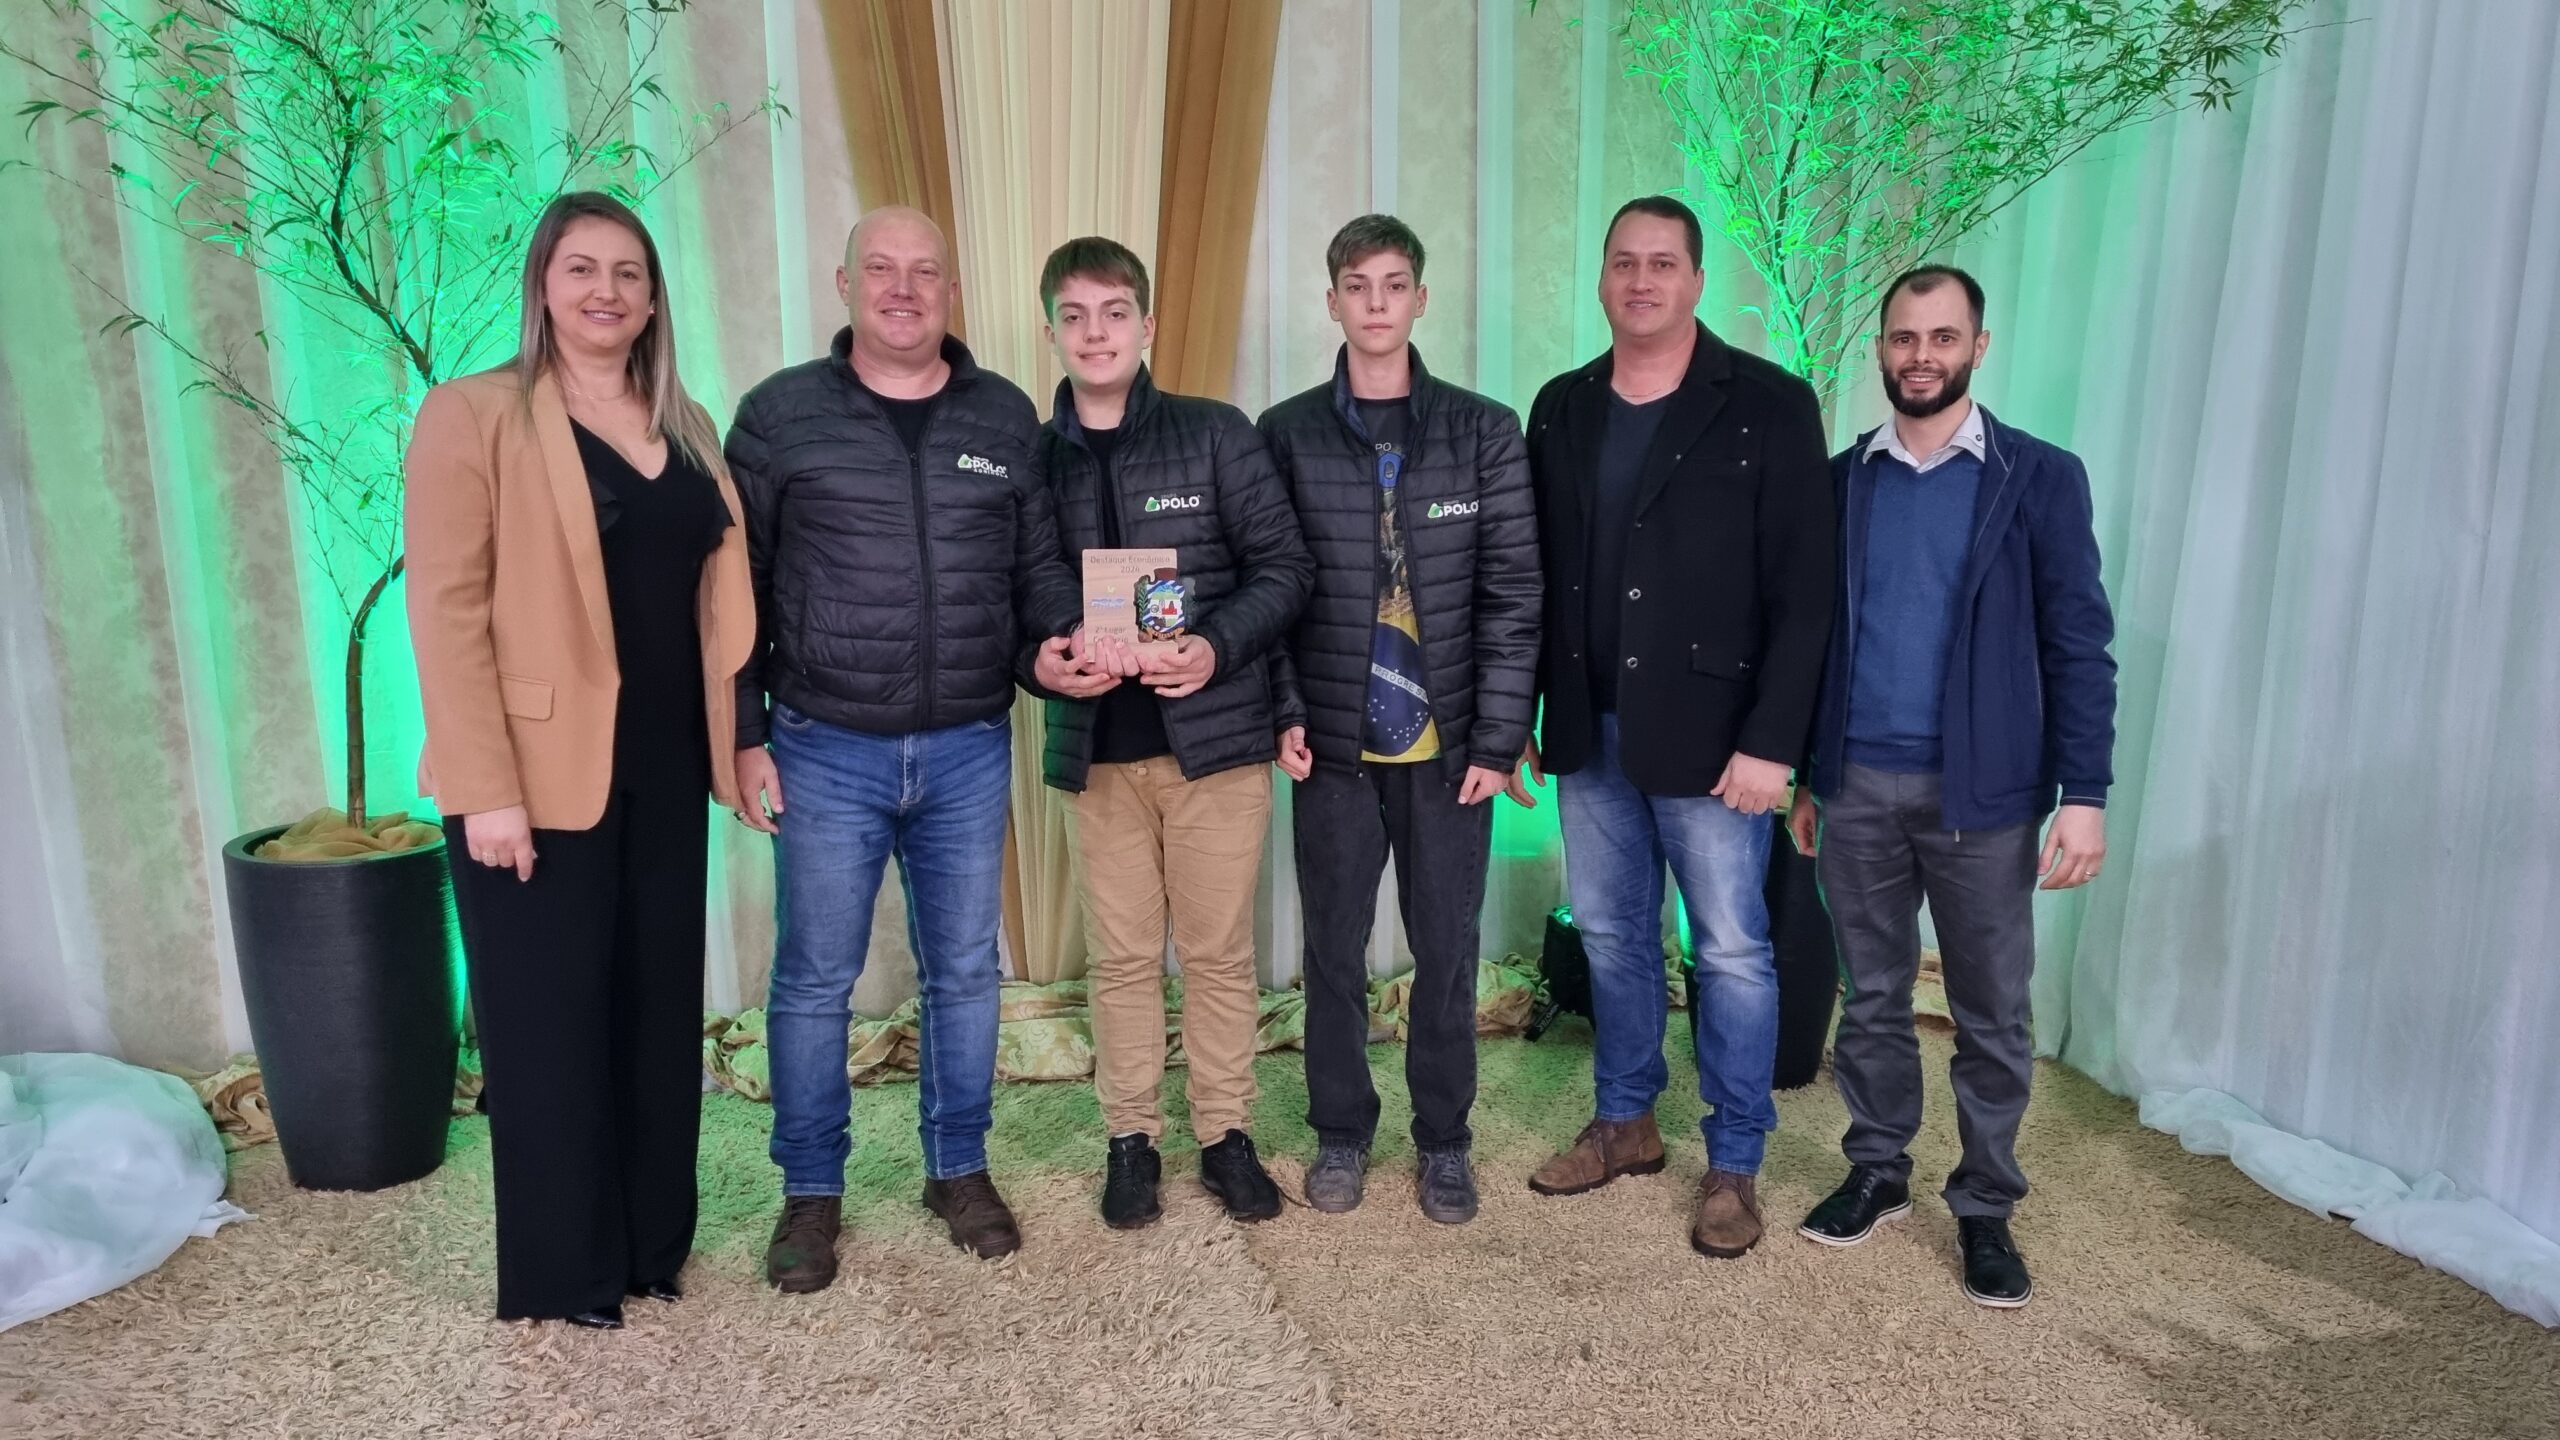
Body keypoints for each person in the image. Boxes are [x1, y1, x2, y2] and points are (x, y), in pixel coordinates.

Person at [405, 191, 755, 1328]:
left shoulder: (686, 423)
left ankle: (651, 1247)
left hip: (667, 766)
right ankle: (566, 1275)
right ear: (543, 287)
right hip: (534, 779)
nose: (607, 291)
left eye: (628, 273)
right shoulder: (474, 414)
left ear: (652, 301)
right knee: (549, 1030)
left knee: (655, 1017)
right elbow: (446, 614)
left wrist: (740, 742)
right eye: (582, 269)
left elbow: (714, 604)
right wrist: (484, 792)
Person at [728, 207, 1083, 1289]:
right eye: (880, 268)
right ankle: (809, 1191)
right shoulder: (780, 415)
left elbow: (1034, 576)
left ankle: (957, 1168)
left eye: (925, 271)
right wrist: (741, 733)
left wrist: (1052, 652)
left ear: (951, 292)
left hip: (969, 744)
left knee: (965, 973)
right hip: (823, 745)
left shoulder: (1004, 414)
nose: (902, 287)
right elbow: (732, 593)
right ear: (845, 285)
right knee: (813, 980)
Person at [1787, 265, 2116, 1309]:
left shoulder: (2039, 477)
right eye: (1903, 337)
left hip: (1987, 794)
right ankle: (1878, 1168)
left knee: (1991, 1011)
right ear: (1881, 350)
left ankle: (1984, 1205)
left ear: (1979, 347)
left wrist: (2086, 791)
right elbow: (1813, 641)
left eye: (1941, 337)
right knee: (1873, 996)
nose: (1919, 355)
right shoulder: (1841, 482)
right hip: (1856, 785)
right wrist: (1809, 775)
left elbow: (2079, 644)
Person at [1520, 196, 1836, 1261]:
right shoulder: (1562, 405)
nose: (1642, 280)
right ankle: (1626, 1122)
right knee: (1612, 936)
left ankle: (1735, 1163)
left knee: (1732, 952)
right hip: (1589, 727)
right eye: (1624, 262)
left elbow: (1806, 592)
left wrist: (1774, 744)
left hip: (1718, 739)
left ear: (1698, 281)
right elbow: (1535, 579)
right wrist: (1519, 713)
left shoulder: (1770, 404)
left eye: (1663, 263)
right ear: (1602, 280)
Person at [1020, 237, 1314, 1229]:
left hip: (1215, 746)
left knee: (1219, 952)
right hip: (1096, 752)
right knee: (1121, 958)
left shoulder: (1216, 433)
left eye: (1114, 313)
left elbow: (1284, 569)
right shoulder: (1033, 457)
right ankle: (1130, 1141)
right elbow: (1027, 584)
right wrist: (1059, 644)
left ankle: (1226, 1135)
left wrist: (1212, 649)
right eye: (1074, 315)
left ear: (1147, 324)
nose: (1095, 332)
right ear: (1052, 332)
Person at [1257, 214, 1541, 1225]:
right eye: (1357, 285)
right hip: (1334, 747)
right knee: (1332, 950)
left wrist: (1498, 739)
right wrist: (1283, 711)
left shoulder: (1484, 431)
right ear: (1332, 301)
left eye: (1393, 285)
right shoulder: (1285, 433)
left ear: (1420, 299)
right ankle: (1340, 1130)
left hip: (1449, 752)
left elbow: (1514, 593)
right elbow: (1269, 587)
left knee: (1446, 952)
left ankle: (1444, 1141)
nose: (1375, 303)